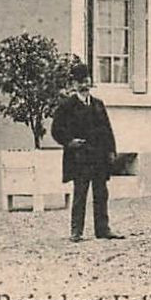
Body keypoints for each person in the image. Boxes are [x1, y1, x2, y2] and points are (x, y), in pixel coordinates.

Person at [50, 63, 124, 242]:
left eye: (86, 80)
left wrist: (111, 151)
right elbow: (56, 129)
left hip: (99, 157)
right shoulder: (67, 106)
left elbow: (107, 130)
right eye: (80, 82)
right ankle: (76, 231)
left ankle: (103, 229)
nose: (84, 85)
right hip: (80, 157)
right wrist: (69, 142)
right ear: (74, 84)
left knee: (101, 193)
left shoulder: (98, 105)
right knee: (80, 194)